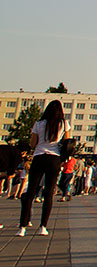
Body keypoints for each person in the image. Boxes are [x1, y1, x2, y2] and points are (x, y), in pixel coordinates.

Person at [16, 100, 70, 237]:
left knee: (31, 193)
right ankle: (43, 226)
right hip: (54, 158)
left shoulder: (39, 124)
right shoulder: (63, 124)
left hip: (39, 156)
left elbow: (33, 143)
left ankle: (22, 227)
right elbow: (67, 143)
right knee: (48, 193)